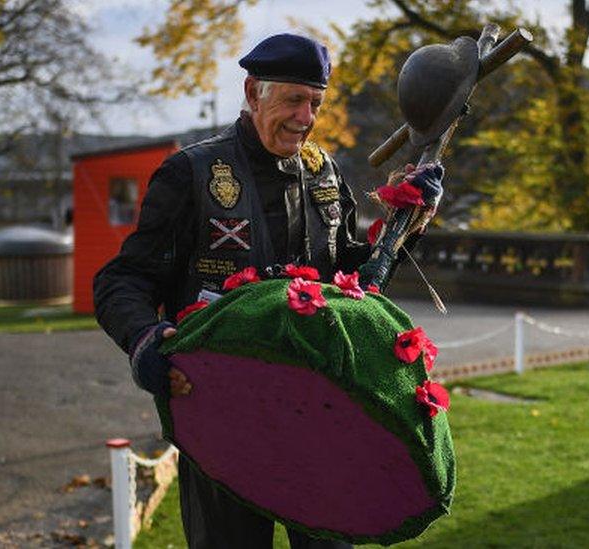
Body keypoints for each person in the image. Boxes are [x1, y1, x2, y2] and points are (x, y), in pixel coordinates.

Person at [94, 33, 444, 549]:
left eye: (316, 104)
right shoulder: (189, 173)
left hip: (321, 418)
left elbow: (354, 279)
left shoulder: (324, 172)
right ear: (254, 91)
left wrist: (406, 223)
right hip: (222, 418)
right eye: (294, 101)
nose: (306, 117)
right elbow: (123, 280)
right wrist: (146, 343)